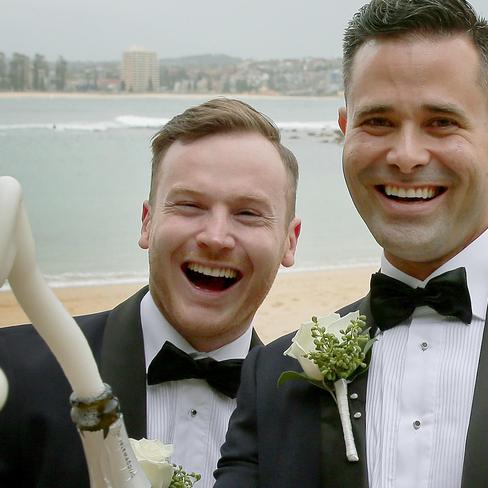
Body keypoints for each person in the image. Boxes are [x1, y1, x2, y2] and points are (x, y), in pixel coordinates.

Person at [214, 1, 488, 487]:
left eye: (441, 122)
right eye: (377, 121)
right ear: (345, 131)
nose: (405, 156)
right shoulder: (272, 377)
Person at [0, 98, 301, 487]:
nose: (215, 237)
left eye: (248, 213)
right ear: (147, 222)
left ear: (289, 242)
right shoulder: (15, 371)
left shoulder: (307, 414)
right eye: (190, 205)